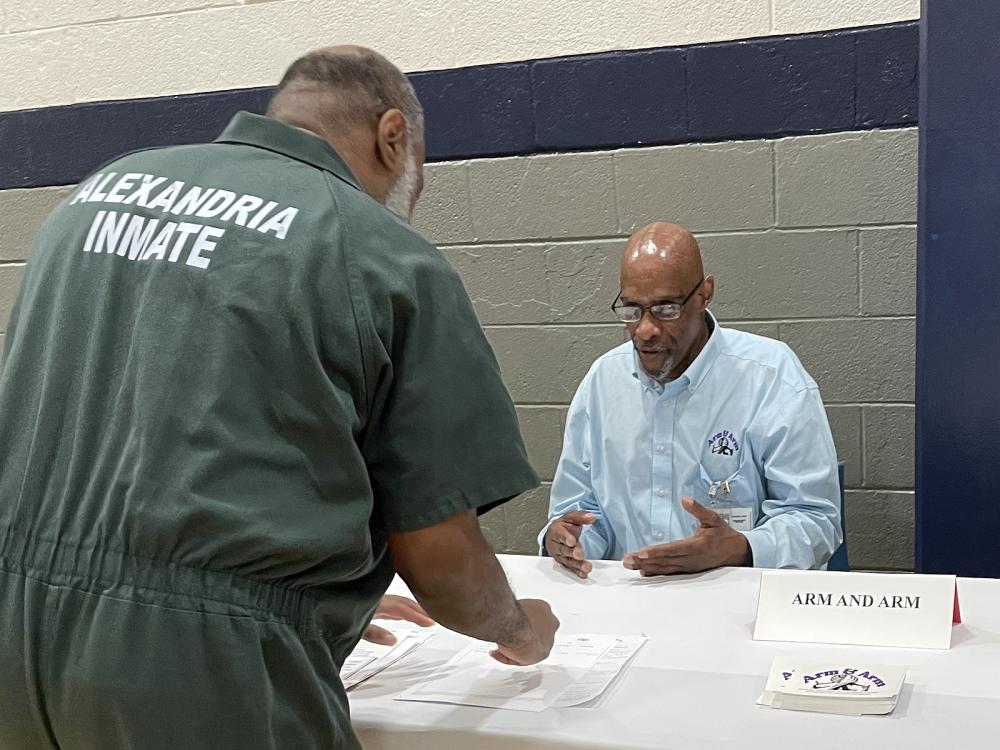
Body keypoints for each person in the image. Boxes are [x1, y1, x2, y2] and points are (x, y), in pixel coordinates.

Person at [0, 46, 558, 750]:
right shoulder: (378, 251)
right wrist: (521, 628)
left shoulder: (94, 197)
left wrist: (324, 594)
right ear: (393, 137)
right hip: (205, 675)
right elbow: (441, 561)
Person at [541, 222, 842, 577]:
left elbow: (815, 520)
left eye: (666, 309)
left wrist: (739, 549)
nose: (645, 329)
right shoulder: (603, 381)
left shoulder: (771, 377)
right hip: (627, 599)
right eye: (632, 309)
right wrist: (568, 540)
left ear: (704, 294)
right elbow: (580, 511)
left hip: (734, 599)